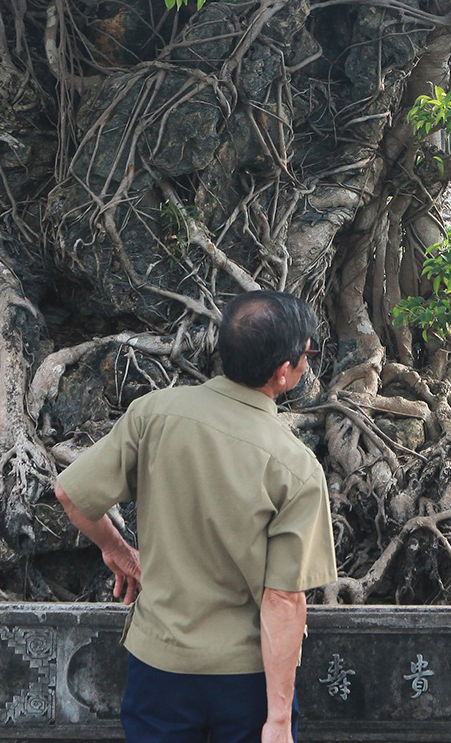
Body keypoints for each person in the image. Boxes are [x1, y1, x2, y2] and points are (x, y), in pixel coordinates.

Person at [55, 289, 337, 743]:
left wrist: (118, 550)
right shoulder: (295, 467)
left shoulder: (155, 413)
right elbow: (283, 600)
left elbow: (69, 491)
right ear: (285, 372)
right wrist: (279, 719)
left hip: (158, 666)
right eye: (308, 353)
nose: (308, 362)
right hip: (245, 679)